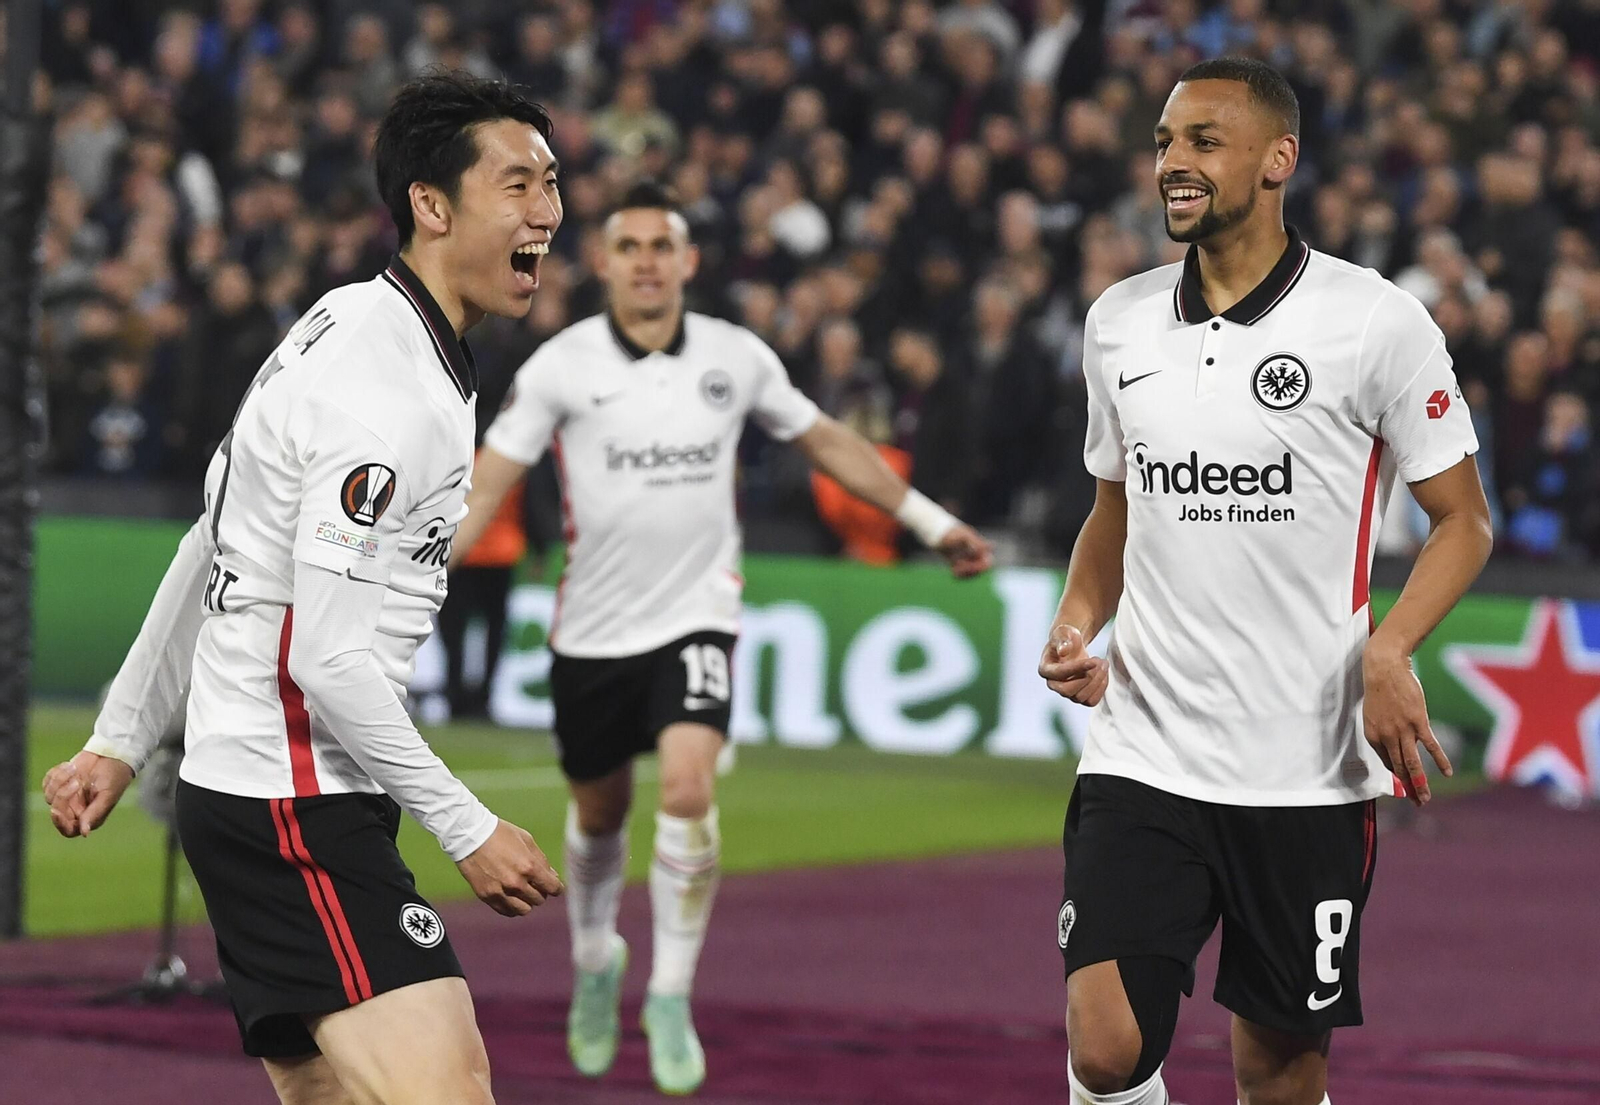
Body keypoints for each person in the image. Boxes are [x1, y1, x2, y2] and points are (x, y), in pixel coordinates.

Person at [41, 72, 568, 1105]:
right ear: (430, 203)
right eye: (516, 184)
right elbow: (327, 660)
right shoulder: (385, 393)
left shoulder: (348, 318)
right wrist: (467, 826)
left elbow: (215, 536)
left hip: (265, 791)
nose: (546, 210)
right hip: (292, 804)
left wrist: (121, 734)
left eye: (550, 182)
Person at [449, 180, 994, 1095]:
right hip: (592, 631)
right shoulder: (560, 366)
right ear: (605, 263)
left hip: (696, 616)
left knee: (689, 788)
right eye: (630, 247)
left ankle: (670, 992)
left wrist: (932, 522)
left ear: (690, 260)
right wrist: (418, 571)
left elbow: (828, 442)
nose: (647, 263)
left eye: (662, 246)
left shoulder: (735, 357)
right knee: (598, 816)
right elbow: (489, 480)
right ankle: (595, 959)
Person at [1037, 59, 1492, 1105]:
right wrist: (1076, 618)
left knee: (1278, 1074)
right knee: (1105, 1048)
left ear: (1277, 159)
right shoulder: (1119, 322)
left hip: (1306, 769)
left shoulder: (1373, 321)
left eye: (1204, 141)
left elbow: (1463, 521)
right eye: (1164, 141)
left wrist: (1390, 648)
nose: (1173, 162)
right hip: (1146, 748)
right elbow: (1114, 509)